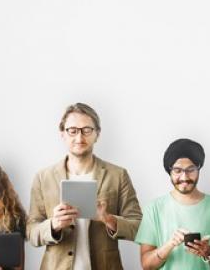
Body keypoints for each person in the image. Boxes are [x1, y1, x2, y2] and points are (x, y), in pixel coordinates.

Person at [26, 102, 142, 270]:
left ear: (97, 134)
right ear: (62, 134)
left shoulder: (118, 175)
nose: (79, 138)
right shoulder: (43, 177)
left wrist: (107, 219)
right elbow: (31, 232)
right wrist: (53, 225)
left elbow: (139, 227)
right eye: (72, 131)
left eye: (86, 130)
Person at [135, 138, 210, 269]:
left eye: (190, 169)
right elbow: (146, 265)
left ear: (199, 169)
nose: (184, 177)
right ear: (169, 171)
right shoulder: (153, 208)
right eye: (177, 170)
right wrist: (170, 244)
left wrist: (209, 251)